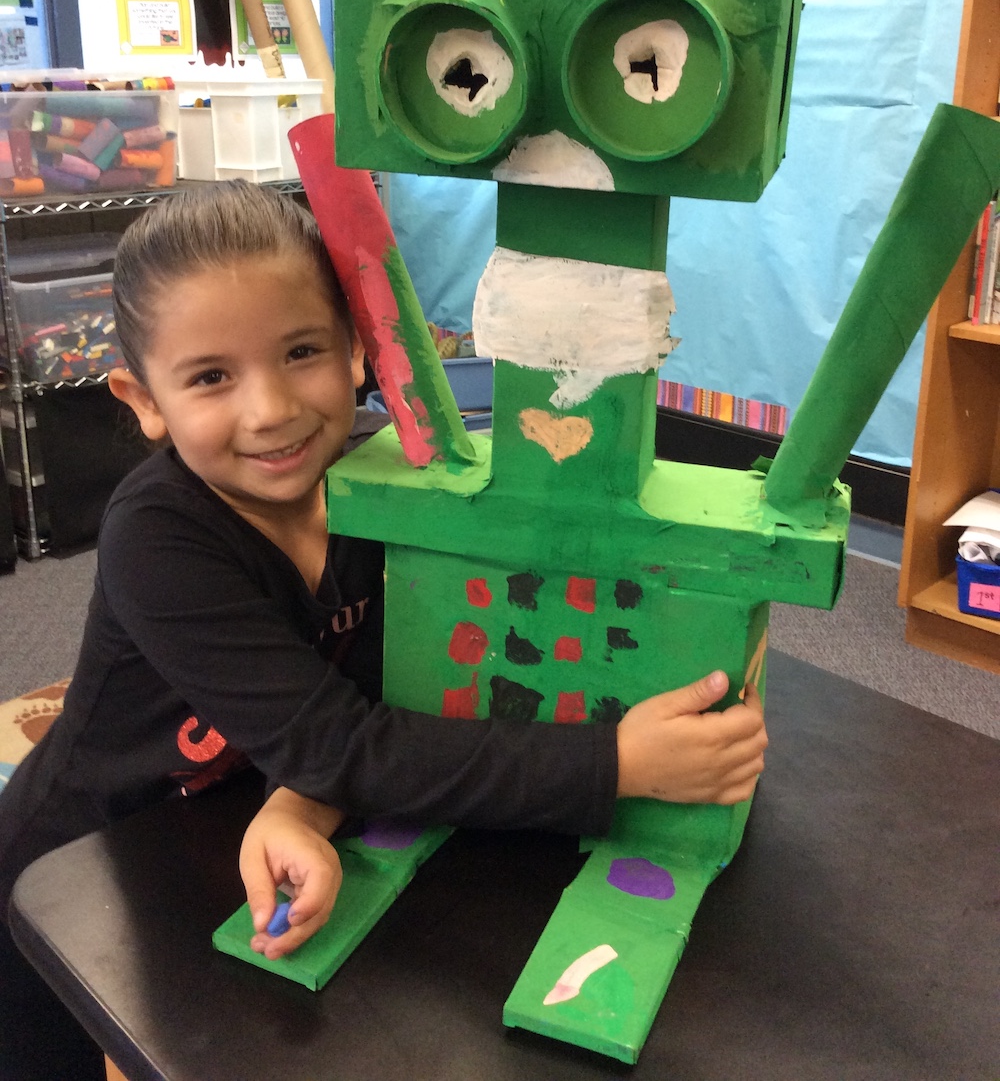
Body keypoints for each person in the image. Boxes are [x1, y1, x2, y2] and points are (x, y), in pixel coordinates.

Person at [0, 180, 767, 1080]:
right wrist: (617, 764)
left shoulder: (380, 481)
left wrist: (299, 798)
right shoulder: (157, 536)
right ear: (143, 400)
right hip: (82, 863)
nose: (271, 408)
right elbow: (343, 740)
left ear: (359, 349)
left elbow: (375, 684)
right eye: (211, 376)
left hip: (231, 826)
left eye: (301, 351)